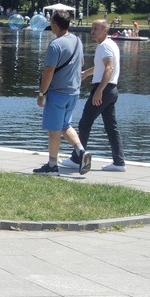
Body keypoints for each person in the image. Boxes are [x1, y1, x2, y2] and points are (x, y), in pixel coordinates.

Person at [60, 19, 127, 173]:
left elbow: (109, 68)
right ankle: (119, 162)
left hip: (104, 89)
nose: (93, 30)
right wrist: (86, 74)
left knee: (85, 123)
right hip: (111, 90)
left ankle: (77, 159)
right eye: (92, 28)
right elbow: (102, 66)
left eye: (96, 28)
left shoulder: (104, 46)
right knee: (111, 127)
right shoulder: (109, 45)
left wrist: (99, 91)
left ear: (105, 30)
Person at [33, 10, 92, 175]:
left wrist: (41, 93)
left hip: (58, 93)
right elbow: (81, 63)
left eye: (51, 22)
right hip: (73, 92)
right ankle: (81, 151)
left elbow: (49, 70)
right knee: (65, 125)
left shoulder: (55, 45)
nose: (50, 24)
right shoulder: (77, 41)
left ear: (55, 25)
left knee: (54, 130)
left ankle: (52, 166)